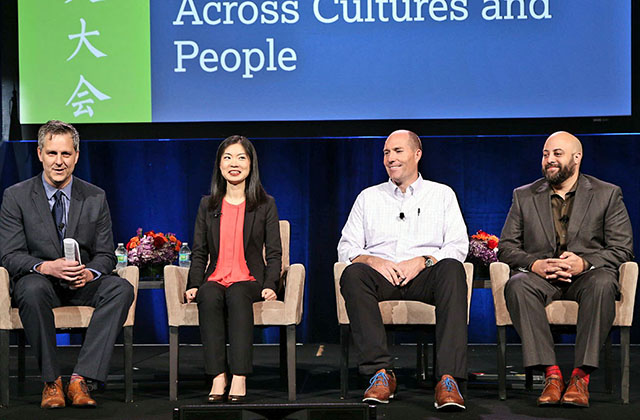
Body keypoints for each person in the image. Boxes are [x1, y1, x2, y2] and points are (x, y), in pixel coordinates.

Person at [0, 120, 134, 409]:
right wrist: (46, 267)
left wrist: (89, 273)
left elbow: (106, 255)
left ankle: (80, 378)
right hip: (41, 282)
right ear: (39, 154)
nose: (59, 162)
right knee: (31, 289)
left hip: (81, 284)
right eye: (52, 154)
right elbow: (9, 255)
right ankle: (51, 382)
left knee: (121, 288)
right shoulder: (16, 196)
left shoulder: (95, 196)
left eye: (65, 154)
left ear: (76, 156)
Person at [498, 131, 634, 408]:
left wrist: (583, 262)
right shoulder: (524, 196)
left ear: (577, 157)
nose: (549, 160)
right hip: (542, 277)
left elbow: (622, 249)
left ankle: (580, 378)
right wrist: (535, 265)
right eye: (546, 154)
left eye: (557, 154)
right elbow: (506, 248)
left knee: (603, 283)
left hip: (587, 276)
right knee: (517, 284)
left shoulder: (607, 194)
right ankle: (552, 375)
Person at [337, 130, 469, 410]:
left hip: (426, 276)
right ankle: (380, 373)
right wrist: (373, 261)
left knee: (453, 269)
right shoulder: (368, 197)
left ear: (417, 154)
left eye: (398, 151)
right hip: (382, 276)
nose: (390, 158)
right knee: (353, 273)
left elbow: (458, 245)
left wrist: (423, 260)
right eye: (386, 153)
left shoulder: (441, 194)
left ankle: (448, 379)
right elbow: (346, 246)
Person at [184, 135, 282, 403]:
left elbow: (274, 253)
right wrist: (193, 284)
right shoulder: (208, 205)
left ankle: (239, 375)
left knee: (237, 294)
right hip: (216, 276)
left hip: (249, 279)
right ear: (219, 165)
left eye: (241, 157)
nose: (234, 163)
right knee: (210, 294)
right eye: (227, 158)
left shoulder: (265, 204)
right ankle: (217, 375)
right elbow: (199, 251)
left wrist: (270, 285)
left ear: (251, 164)